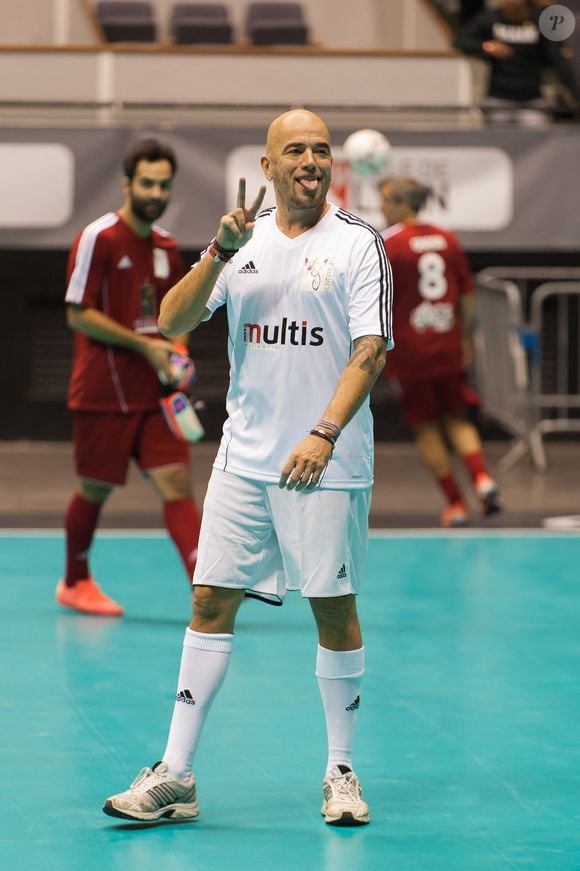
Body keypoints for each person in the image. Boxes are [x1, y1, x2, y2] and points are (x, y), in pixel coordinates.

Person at [102, 109, 392, 826]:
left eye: (321, 150)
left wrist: (324, 431)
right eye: (295, 149)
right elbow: (170, 322)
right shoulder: (244, 240)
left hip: (326, 461)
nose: (311, 160)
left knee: (333, 610)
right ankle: (176, 774)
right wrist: (216, 255)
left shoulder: (359, 244)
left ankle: (342, 770)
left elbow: (370, 352)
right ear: (267, 166)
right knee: (209, 602)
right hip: (245, 460)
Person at [56, 139, 201, 617]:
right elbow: (78, 315)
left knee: (177, 484)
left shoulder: (165, 246)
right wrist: (147, 347)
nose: (155, 191)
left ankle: (206, 591)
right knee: (94, 488)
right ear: (127, 184)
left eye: (163, 184)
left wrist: (176, 354)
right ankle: (75, 582)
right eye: (147, 182)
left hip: (156, 395)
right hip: (103, 391)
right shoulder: (98, 237)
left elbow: (172, 321)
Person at [378, 176, 501, 528]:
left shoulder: (389, 242)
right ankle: (482, 479)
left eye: (386, 201)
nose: (382, 208)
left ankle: (457, 503)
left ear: (403, 204)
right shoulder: (447, 239)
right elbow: (466, 292)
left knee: (425, 427)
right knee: (457, 415)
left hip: (409, 350)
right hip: (447, 341)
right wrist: (464, 336)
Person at [454, 0, 580, 126]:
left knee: (537, 139)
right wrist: (487, 46)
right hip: (498, 98)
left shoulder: (540, 20)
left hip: (532, 99)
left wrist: (574, 93)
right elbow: (461, 41)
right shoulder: (490, 18)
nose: (511, 2)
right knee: (498, 139)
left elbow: (557, 59)